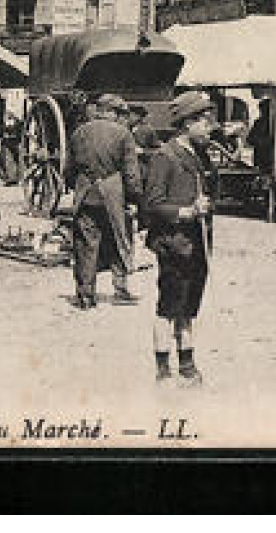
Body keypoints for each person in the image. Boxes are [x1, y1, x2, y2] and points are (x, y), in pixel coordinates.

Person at [141, 90, 217, 386]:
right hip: (173, 241)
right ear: (188, 123)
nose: (210, 127)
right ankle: (162, 366)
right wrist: (186, 211)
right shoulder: (165, 156)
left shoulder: (199, 155)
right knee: (169, 305)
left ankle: (187, 360)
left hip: (197, 241)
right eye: (205, 122)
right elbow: (152, 203)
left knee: (190, 305)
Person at [67, 94, 143, 309]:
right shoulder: (123, 134)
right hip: (113, 195)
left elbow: (69, 170)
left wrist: (80, 186)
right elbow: (131, 174)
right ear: (112, 112)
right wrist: (134, 198)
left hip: (86, 195)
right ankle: (120, 289)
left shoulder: (79, 132)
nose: (121, 117)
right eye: (120, 113)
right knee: (120, 239)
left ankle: (85, 295)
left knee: (86, 245)